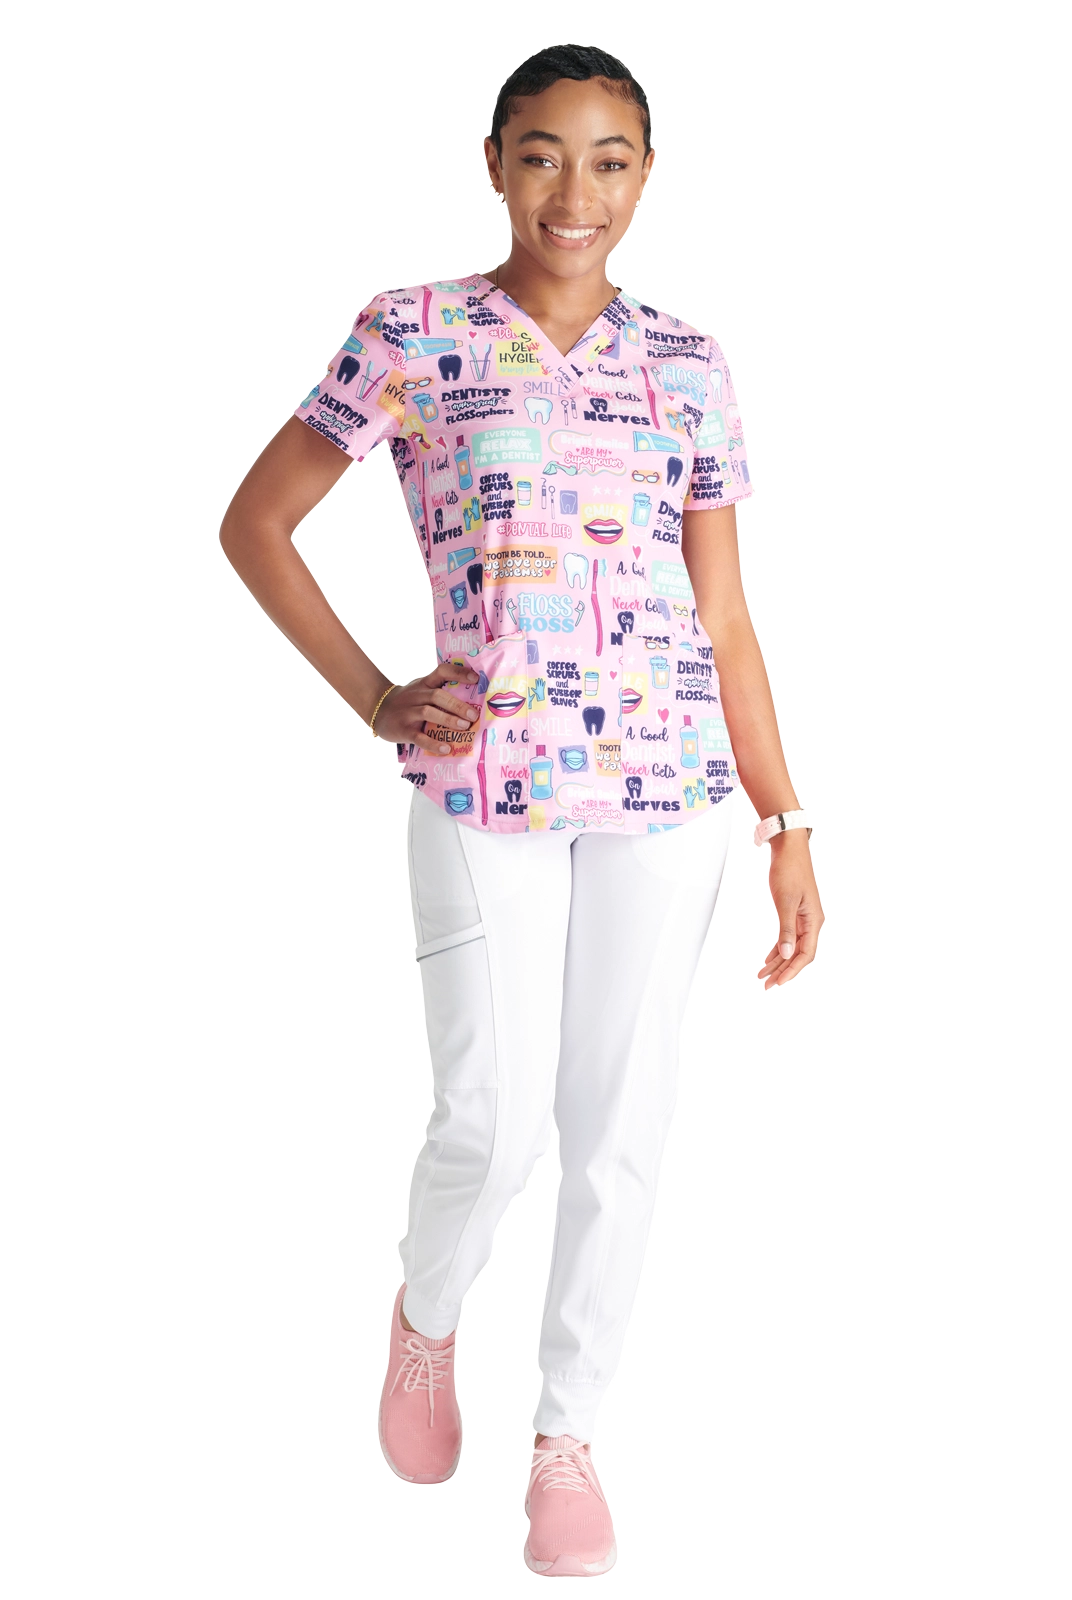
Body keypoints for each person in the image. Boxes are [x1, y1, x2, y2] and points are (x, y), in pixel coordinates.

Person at [218, 40, 825, 1580]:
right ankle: (426, 1321)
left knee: (623, 1123)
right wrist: (374, 694)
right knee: (488, 1121)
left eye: (610, 159)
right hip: (484, 782)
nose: (575, 191)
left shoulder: (690, 360)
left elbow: (725, 615)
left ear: (646, 177)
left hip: (669, 790)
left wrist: (785, 821)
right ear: (492, 162)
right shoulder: (411, 332)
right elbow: (258, 522)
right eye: (543, 153)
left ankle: (569, 1435)